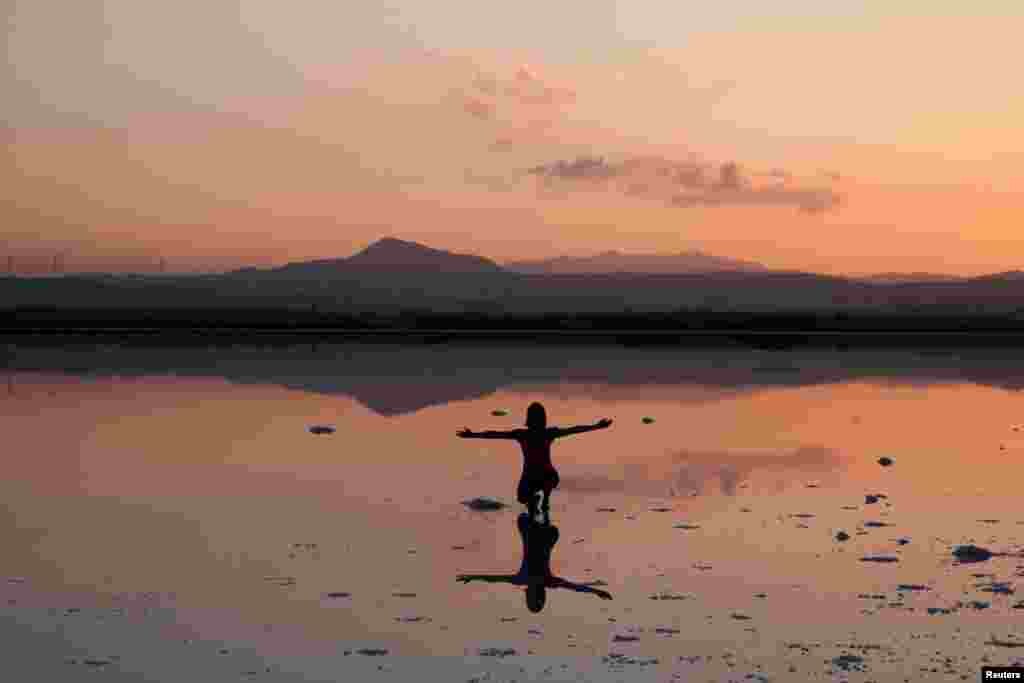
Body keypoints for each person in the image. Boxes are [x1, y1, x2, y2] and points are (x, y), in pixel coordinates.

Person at [457, 402, 612, 524]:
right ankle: (541, 498)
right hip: (544, 476)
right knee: (526, 498)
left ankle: (542, 500)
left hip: (538, 476)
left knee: (525, 499)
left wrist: (472, 435)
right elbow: (574, 430)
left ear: (528, 419)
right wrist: (596, 426)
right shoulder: (545, 433)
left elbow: (495, 434)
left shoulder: (525, 434)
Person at [457, 513, 613, 612]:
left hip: (547, 535)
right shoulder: (526, 579)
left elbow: (575, 587)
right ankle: (538, 508)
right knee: (526, 518)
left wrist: (596, 592)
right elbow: (494, 579)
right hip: (536, 533)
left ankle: (540, 508)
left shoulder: (547, 581)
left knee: (533, 519)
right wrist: (472, 577)